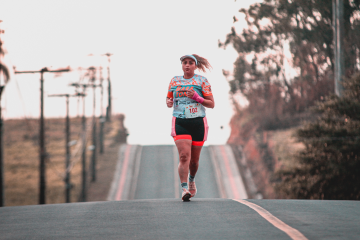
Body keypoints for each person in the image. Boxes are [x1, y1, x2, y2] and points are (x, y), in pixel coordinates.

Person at [166, 54, 215, 201]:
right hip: (180, 122)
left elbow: (211, 104)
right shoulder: (175, 80)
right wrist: (168, 102)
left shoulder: (202, 81)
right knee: (183, 156)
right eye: (185, 63)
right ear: (182, 65)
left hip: (198, 123)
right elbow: (169, 98)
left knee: (194, 161)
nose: (187, 65)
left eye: (190, 63)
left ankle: (192, 179)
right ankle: (184, 188)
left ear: (195, 65)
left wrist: (197, 97)